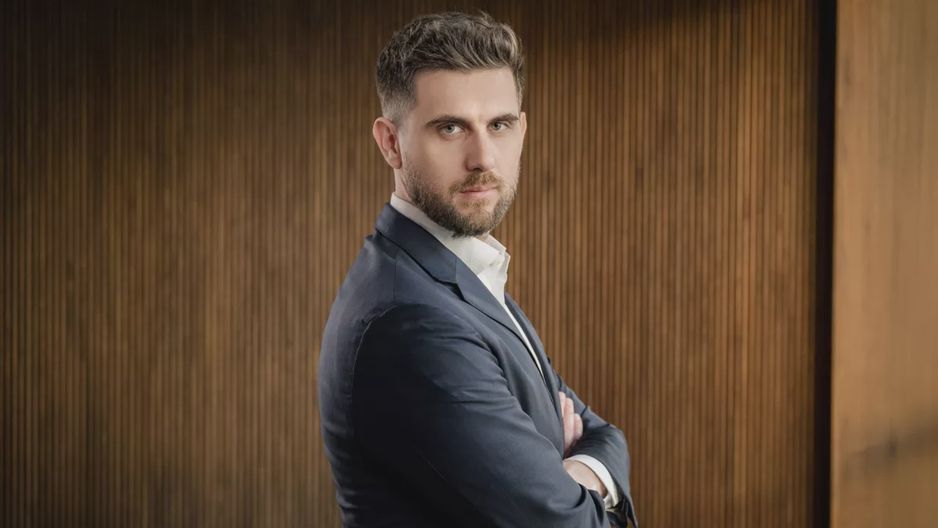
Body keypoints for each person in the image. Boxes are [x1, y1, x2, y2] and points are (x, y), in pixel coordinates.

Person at [318, 11, 637, 527]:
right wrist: (573, 477)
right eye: (450, 128)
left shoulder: (462, 275)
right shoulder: (412, 321)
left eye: (499, 125)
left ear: (522, 130)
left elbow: (605, 434)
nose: (483, 158)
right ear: (391, 142)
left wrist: (580, 473)